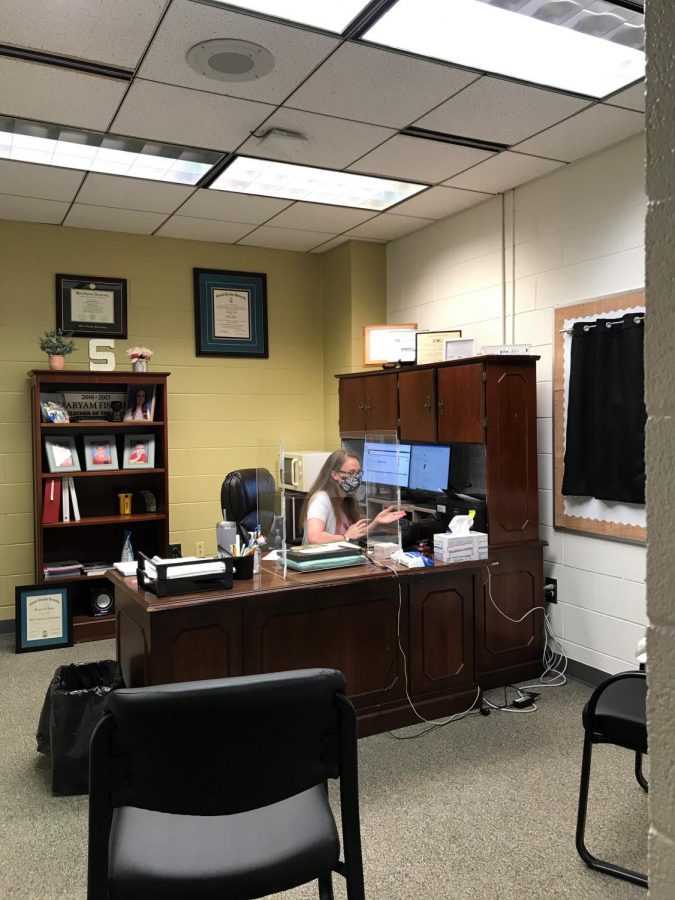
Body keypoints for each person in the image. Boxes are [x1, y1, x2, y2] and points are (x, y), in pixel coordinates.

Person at [302, 449, 406, 545]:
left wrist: (376, 522)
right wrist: (346, 537)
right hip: (321, 561)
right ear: (334, 475)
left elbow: (354, 534)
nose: (356, 478)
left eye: (358, 473)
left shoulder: (346, 499)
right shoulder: (321, 500)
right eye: (351, 473)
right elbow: (315, 538)